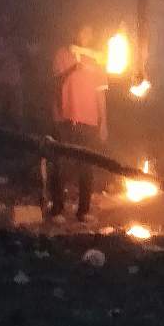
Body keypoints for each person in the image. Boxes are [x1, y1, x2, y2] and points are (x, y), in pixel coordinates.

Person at [49, 24, 108, 221]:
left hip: (89, 120)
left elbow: (101, 94)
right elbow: (56, 82)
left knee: (86, 168)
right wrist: (74, 67)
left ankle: (83, 211)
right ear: (75, 32)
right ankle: (57, 209)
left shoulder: (96, 59)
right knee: (61, 164)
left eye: (89, 32)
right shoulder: (62, 54)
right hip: (66, 118)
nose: (86, 35)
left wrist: (103, 123)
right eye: (83, 30)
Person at [0, 13, 25, 128]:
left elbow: (26, 58)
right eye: (2, 22)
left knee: (17, 119)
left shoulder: (16, 41)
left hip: (15, 84)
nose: (5, 25)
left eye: (8, 22)